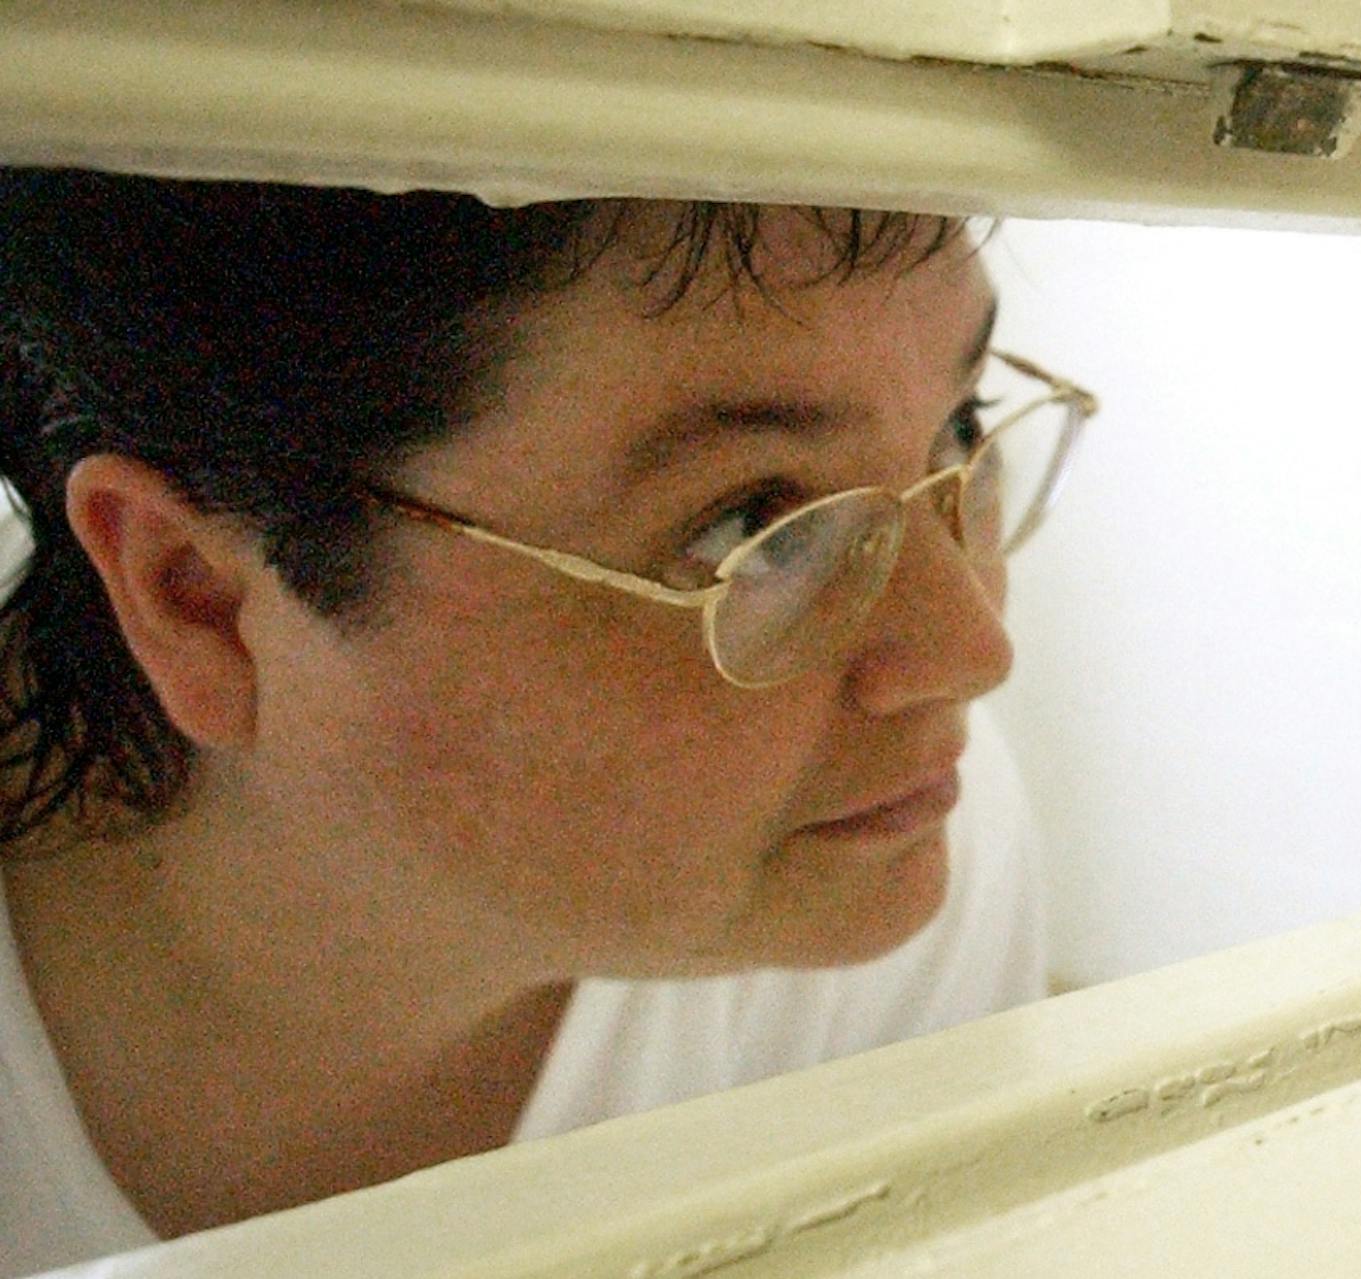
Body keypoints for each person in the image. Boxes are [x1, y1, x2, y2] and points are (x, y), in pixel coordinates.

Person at [0, 169, 1091, 1275]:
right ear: (197, 597)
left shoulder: (893, 840)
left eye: (961, 427)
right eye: (748, 522)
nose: (973, 651)